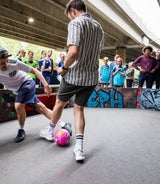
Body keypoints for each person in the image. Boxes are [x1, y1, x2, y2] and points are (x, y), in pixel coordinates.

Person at [39, 0, 104, 162]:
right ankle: (79, 148)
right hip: (91, 77)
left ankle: (50, 130)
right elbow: (97, 50)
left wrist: (64, 68)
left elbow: (73, 51)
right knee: (79, 109)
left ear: (73, 11)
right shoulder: (98, 26)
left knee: (59, 104)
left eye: (69, 16)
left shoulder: (75, 23)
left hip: (74, 75)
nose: (69, 19)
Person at [0, 46, 68, 143]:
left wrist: (46, 85)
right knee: (40, 107)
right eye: (2, 63)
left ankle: (21, 130)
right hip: (17, 90)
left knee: (18, 106)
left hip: (26, 83)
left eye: (6, 61)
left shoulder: (14, 62)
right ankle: (63, 124)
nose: (6, 64)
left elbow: (34, 71)